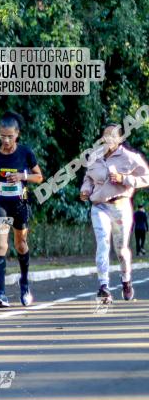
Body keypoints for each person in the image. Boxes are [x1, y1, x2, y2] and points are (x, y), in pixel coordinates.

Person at [0, 111, 43, 308]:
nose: (5, 140)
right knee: (0, 245)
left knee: (20, 244)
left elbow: (39, 177)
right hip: (0, 204)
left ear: (17, 134)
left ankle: (24, 282)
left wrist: (22, 177)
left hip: (19, 205)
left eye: (9, 136)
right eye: (2, 136)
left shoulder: (25, 153)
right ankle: (1, 293)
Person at [79, 123, 149, 302]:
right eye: (105, 135)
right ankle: (104, 286)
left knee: (121, 250)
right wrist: (85, 190)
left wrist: (123, 178)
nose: (108, 138)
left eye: (112, 135)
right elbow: (88, 177)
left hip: (120, 207)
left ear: (120, 139)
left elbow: (146, 178)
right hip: (99, 206)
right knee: (102, 243)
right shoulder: (95, 156)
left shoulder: (130, 157)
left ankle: (126, 280)